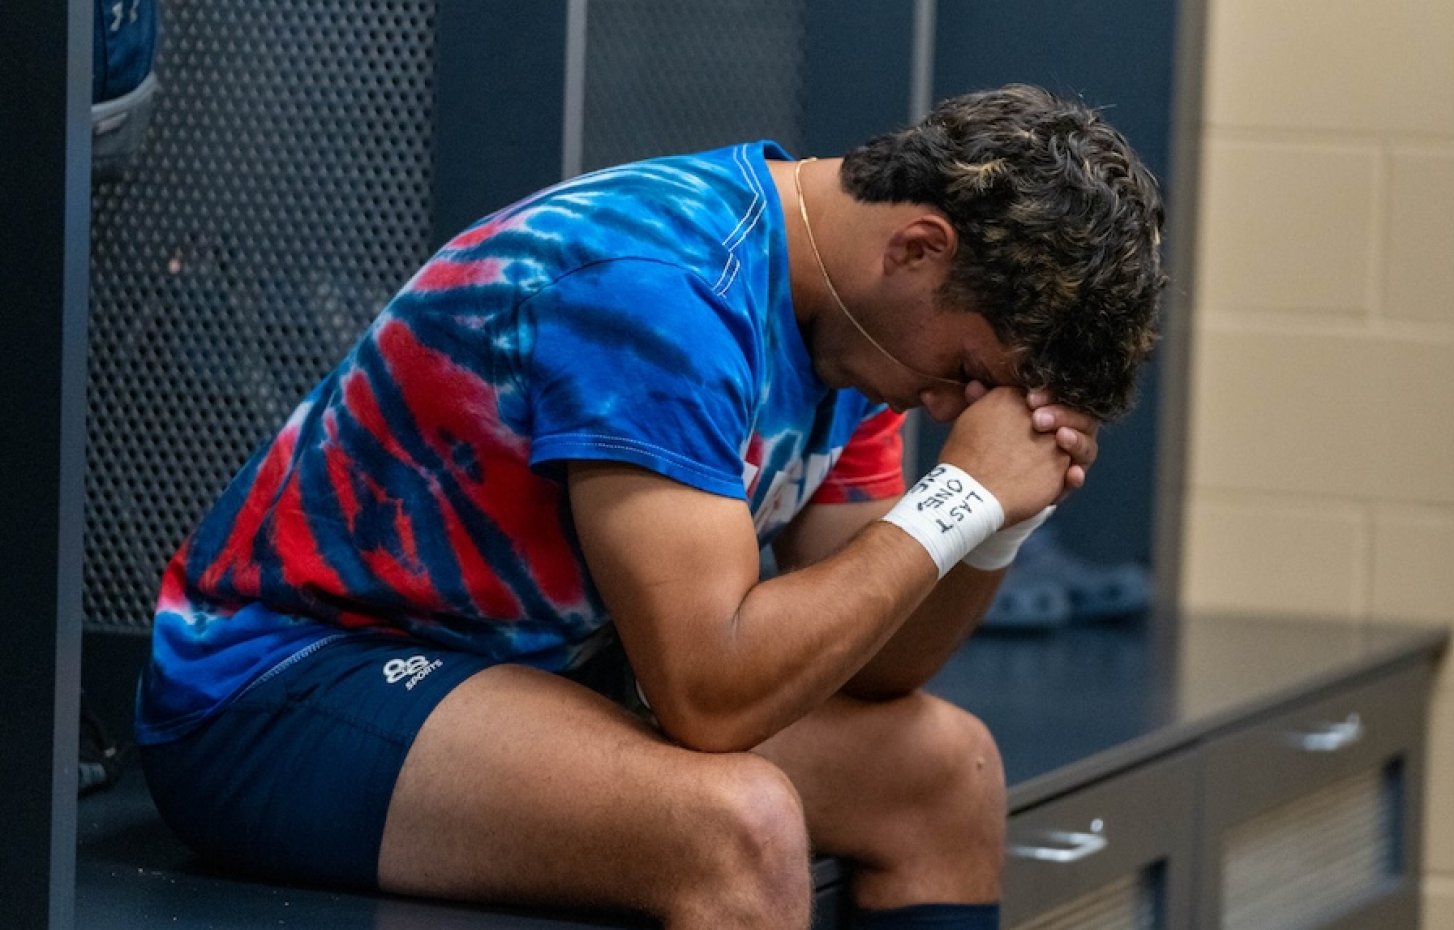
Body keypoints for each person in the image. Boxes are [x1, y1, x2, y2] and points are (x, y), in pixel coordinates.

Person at [135, 83, 1165, 930]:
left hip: (538, 675)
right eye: (964, 370)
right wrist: (955, 492)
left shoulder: (861, 330)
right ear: (917, 248)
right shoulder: (665, 287)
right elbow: (711, 697)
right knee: (735, 824)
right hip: (284, 688)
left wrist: (998, 520)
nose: (948, 407)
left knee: (943, 770)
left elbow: (877, 659)